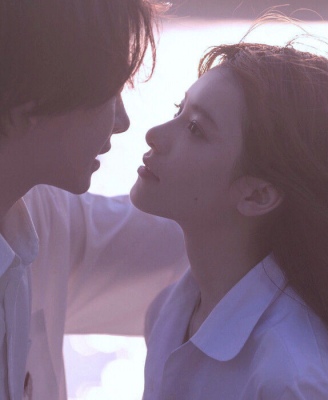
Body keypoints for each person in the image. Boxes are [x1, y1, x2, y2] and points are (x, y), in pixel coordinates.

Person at [130, 39, 328, 399]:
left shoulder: (296, 382)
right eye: (179, 110)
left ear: (258, 195)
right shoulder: (172, 311)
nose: (154, 135)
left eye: (195, 129)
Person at [0, 1, 187, 400]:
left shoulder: (39, 216)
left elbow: (198, 246)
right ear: (36, 98)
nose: (123, 122)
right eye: (111, 91)